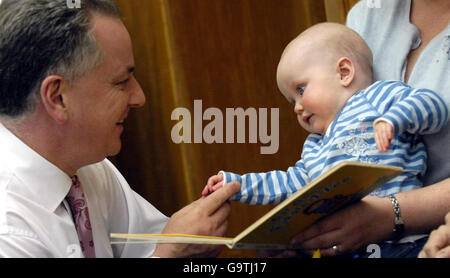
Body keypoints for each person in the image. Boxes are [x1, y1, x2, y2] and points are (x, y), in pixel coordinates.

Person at [0, 0, 240, 258]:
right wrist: (168, 254)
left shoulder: (88, 166)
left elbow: (150, 247)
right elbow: (162, 251)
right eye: (122, 82)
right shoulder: (7, 228)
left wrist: (190, 243)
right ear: (58, 97)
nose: (139, 97)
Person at [202, 22, 448, 256]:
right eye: (291, 101)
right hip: (348, 249)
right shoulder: (315, 146)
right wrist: (236, 185)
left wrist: (395, 119)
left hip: (403, 243)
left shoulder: (377, 97)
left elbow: (433, 107)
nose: (297, 108)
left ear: (344, 72)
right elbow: (289, 183)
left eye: (300, 90)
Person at [287, 0, 450, 258]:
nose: (297, 108)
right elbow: (339, 147)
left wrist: (389, 215)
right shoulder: (367, 15)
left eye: (301, 91)